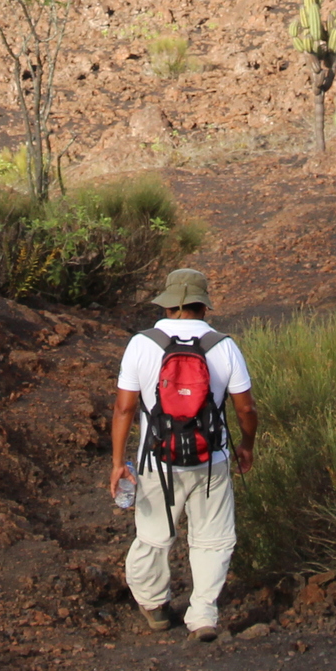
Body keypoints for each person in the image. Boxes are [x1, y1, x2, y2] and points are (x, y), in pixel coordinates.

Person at [107, 267, 257, 640]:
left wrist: (116, 463)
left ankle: (155, 606)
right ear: (203, 306)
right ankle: (203, 615)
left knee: (154, 536)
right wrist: (246, 445)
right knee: (213, 539)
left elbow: (124, 409)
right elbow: (245, 410)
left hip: (157, 460)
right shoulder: (224, 345)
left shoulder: (142, 343)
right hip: (213, 461)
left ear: (169, 305)